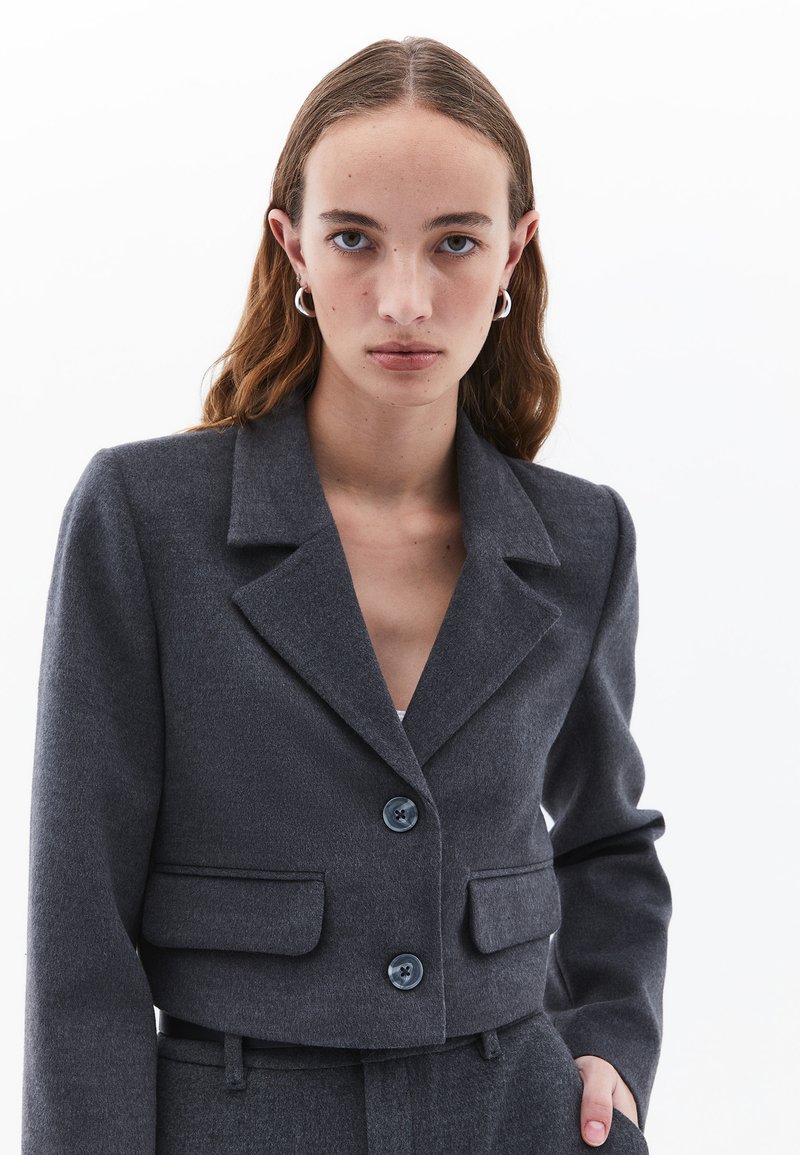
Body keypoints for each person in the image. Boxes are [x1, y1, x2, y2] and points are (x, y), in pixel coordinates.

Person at [21, 35, 671, 1155]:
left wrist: (611, 1040)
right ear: (292, 249)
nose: (405, 299)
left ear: (514, 253)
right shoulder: (144, 517)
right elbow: (80, 925)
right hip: (233, 1118)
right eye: (354, 239)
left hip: (519, 1115)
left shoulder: (581, 539)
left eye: (455, 242)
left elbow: (606, 840)